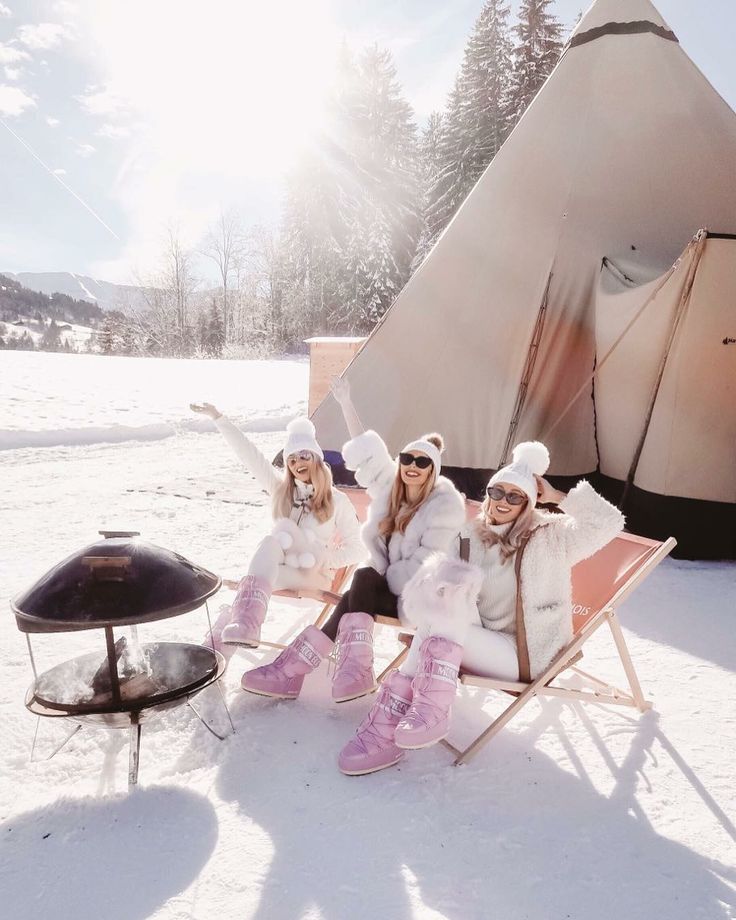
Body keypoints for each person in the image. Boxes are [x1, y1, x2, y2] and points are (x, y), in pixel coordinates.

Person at [338, 440, 625, 775]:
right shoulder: (469, 535)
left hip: (523, 654)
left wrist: (558, 496)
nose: (503, 501)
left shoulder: (553, 537)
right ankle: (391, 723)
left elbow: (608, 522)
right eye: (497, 491)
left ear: (529, 502)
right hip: (474, 637)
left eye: (515, 496)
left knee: (444, 620)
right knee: (441, 606)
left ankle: (409, 721)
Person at [239, 377, 466, 704]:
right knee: (362, 581)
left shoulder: (443, 507)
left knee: (362, 582)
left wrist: (384, 578)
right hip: (385, 591)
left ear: (434, 469)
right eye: (406, 459)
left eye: (423, 462)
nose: (412, 467)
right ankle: (334, 671)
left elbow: (425, 568)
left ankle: (298, 671)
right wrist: (346, 403)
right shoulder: (392, 494)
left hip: (422, 599)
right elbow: (367, 453)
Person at [189, 403, 364, 654]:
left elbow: (358, 549)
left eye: (304, 455)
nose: (297, 463)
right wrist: (219, 418)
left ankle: (239, 623)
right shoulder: (283, 492)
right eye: (291, 459)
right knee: (269, 546)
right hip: (282, 571)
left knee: (279, 532)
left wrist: (327, 558)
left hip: (315, 575)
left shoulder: (338, 500)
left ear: (316, 458)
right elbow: (251, 457)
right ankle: (228, 638)